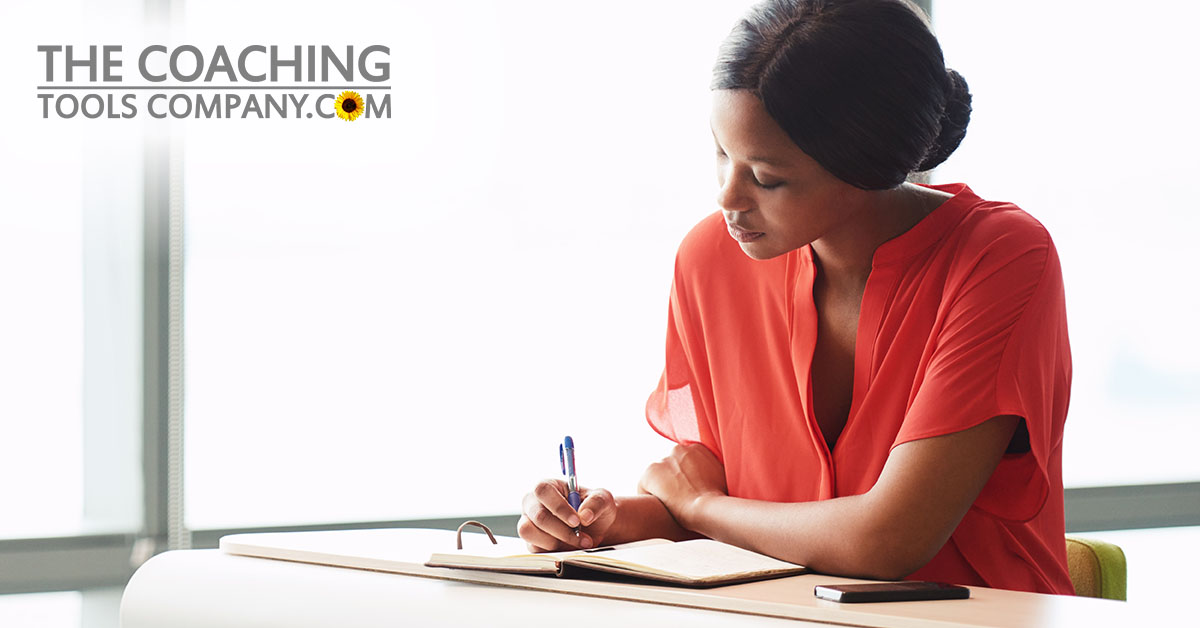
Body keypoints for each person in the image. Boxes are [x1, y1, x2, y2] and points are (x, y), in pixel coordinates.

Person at [518, 0, 1073, 595]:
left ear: (867, 163)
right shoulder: (709, 259)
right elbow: (715, 499)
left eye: (766, 177)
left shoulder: (1001, 258)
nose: (727, 198)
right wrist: (602, 521)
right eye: (721, 153)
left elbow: (889, 541)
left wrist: (699, 505)